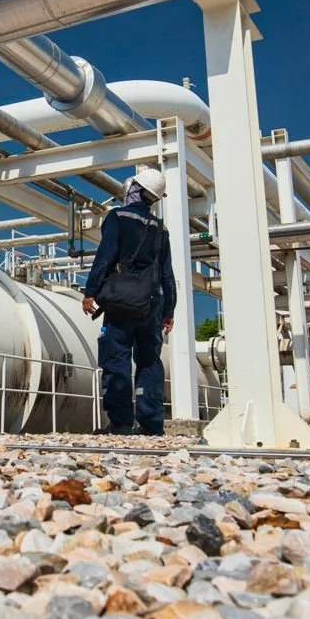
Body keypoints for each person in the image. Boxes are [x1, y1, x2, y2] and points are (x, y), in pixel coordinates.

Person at [82, 166, 177, 437]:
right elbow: (166, 273)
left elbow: (106, 255)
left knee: (117, 360)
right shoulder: (161, 228)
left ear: (135, 189)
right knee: (149, 362)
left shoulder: (117, 217)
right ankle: (151, 424)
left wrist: (91, 290)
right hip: (152, 304)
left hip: (122, 301)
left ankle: (121, 423)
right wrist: (168, 310)